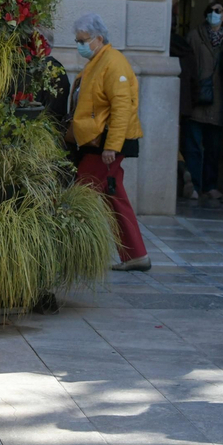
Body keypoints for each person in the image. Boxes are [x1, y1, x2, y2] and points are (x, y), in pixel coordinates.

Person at [68, 14, 150, 273]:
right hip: (98, 143)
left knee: (80, 197)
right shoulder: (98, 61)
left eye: (83, 40)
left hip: (105, 145)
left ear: (98, 39)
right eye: (77, 40)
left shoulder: (112, 63)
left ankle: (74, 255)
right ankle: (136, 255)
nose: (79, 45)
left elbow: (122, 107)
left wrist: (111, 147)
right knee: (114, 197)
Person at [180, 0, 223, 200]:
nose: (213, 14)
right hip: (197, 101)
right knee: (193, 147)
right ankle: (194, 186)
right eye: (210, 11)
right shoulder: (194, 36)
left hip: (218, 102)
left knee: (213, 148)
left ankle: (210, 186)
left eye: (218, 11)